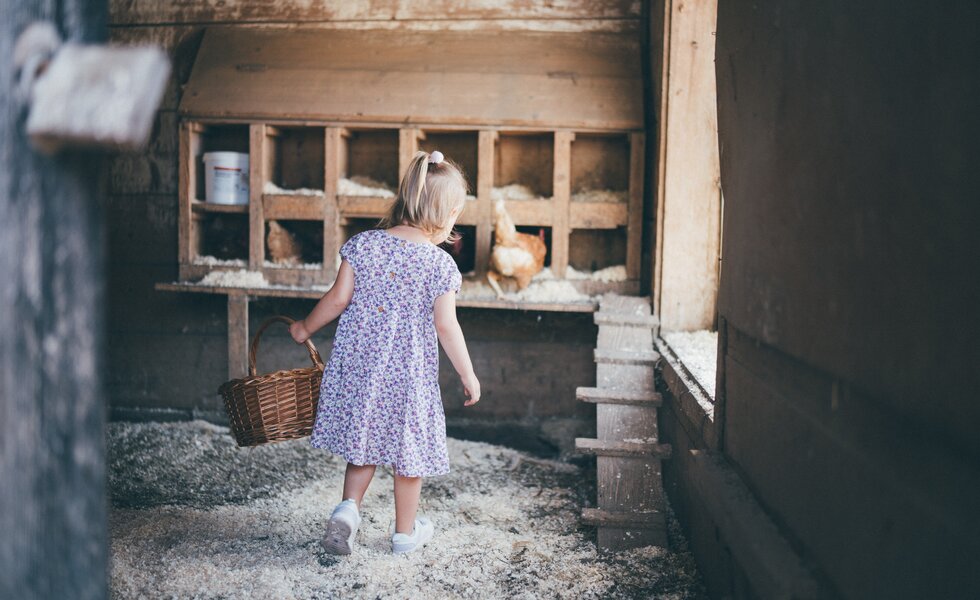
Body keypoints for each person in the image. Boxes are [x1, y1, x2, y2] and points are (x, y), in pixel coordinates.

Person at [289, 150, 481, 556]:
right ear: (445, 213)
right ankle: (404, 534)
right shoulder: (440, 265)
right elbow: (447, 326)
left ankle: (347, 511)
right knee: (408, 456)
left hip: (361, 371)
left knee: (363, 447)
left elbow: (338, 300)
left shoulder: (363, 245)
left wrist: (305, 327)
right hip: (409, 378)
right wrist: (468, 374)